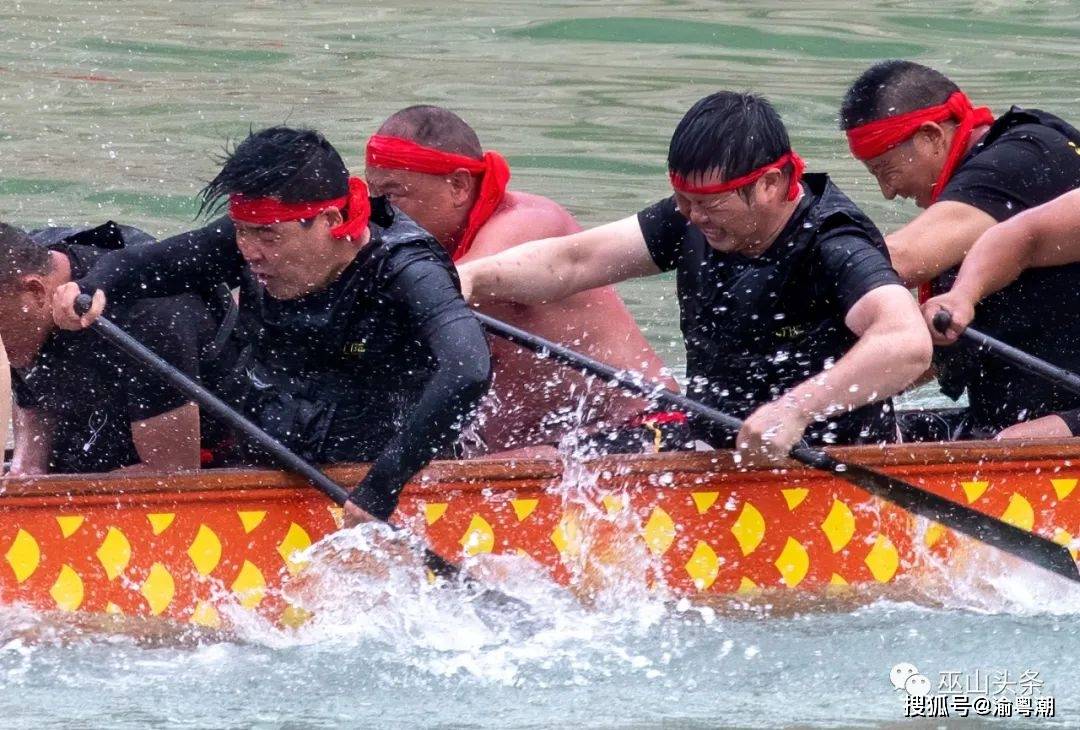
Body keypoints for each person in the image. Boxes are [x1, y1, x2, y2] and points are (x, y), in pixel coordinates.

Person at [52, 127, 491, 525]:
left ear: (331, 222)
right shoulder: (251, 234)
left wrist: (382, 487)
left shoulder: (409, 270)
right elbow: (144, 264)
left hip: (369, 483)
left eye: (269, 238)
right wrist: (88, 289)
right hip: (269, 454)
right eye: (243, 232)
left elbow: (468, 369)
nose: (250, 251)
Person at [460, 92, 932, 462]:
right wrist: (468, 278)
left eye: (709, 203)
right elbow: (573, 262)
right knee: (551, 460)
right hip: (708, 443)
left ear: (770, 183)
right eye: (683, 200)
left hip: (820, 456)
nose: (693, 216)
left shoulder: (834, 243)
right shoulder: (694, 216)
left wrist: (796, 410)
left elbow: (907, 343)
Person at [364, 105, 677, 454]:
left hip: (647, 429)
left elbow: (423, 295)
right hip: (539, 449)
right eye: (370, 195)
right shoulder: (414, 245)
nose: (375, 214)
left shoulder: (528, 224)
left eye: (391, 196)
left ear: (458, 186)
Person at [840, 60, 1080, 438]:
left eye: (885, 170)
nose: (888, 192)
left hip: (1055, 428)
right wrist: (817, 394)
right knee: (848, 431)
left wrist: (786, 276)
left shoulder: (1026, 156)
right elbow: (928, 350)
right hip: (1008, 419)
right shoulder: (979, 195)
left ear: (932, 136)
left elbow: (902, 259)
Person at [0, 221, 231, 474]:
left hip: (211, 457)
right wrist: (25, 470)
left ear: (36, 291)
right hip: (103, 426)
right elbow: (33, 392)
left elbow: (172, 476)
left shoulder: (148, 316)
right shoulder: (21, 277)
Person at [923, 188, 1080, 439]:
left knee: (1014, 441)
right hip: (1005, 414)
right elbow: (1024, 236)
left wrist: (1072, 424)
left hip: (1059, 428)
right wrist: (963, 295)